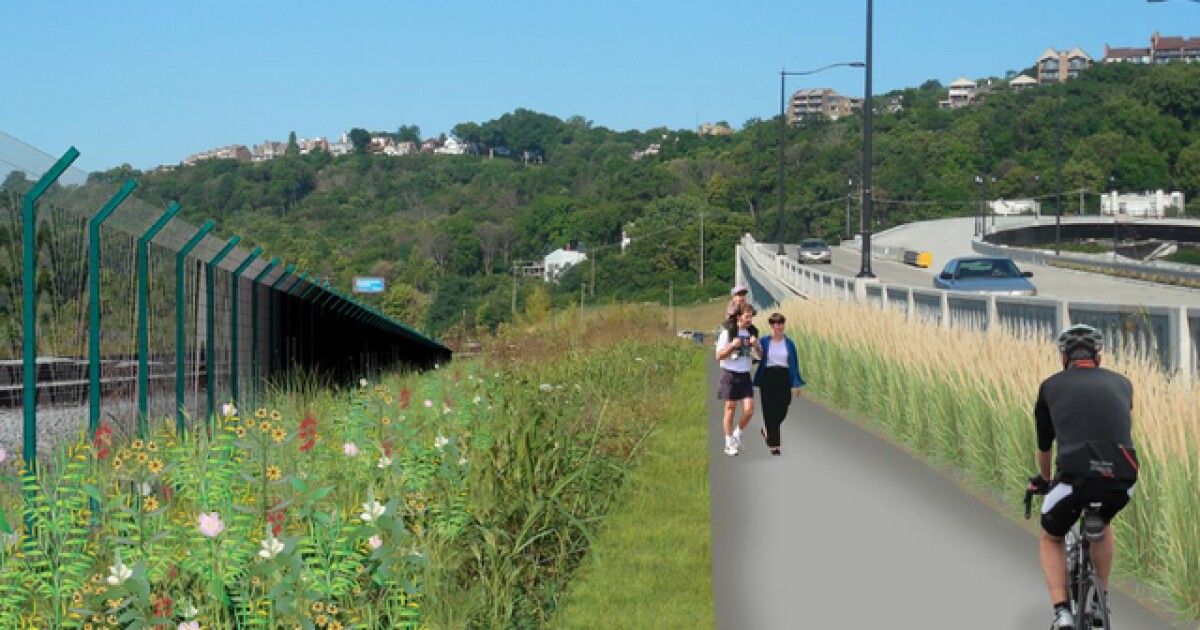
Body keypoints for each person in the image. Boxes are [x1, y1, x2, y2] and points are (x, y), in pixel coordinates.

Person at [1026, 324, 1138, 630]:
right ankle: (1099, 604)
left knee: (1051, 535)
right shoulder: (1123, 384)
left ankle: (1062, 612)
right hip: (1123, 478)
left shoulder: (1050, 386)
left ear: (1065, 359)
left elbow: (1045, 444)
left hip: (1074, 479)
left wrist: (1045, 478)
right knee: (1103, 522)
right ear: (1098, 357)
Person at [752, 312, 805, 456]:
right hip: (768, 376)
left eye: (781, 323)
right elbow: (757, 358)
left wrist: (797, 384)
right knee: (769, 410)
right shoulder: (764, 341)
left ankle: (767, 429)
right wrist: (756, 347)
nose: (778, 326)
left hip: (783, 377)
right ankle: (774, 445)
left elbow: (794, 364)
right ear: (771, 325)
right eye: (775, 324)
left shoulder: (789, 343)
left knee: (784, 406)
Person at [714, 304, 760, 456]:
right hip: (729, 374)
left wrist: (756, 346)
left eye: (751, 316)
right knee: (730, 409)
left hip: (745, 374)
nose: (750, 319)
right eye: (747, 316)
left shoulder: (751, 333)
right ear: (738, 316)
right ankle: (728, 443)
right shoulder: (728, 333)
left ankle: (737, 434)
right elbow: (719, 355)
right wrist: (732, 346)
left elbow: (760, 356)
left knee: (749, 410)